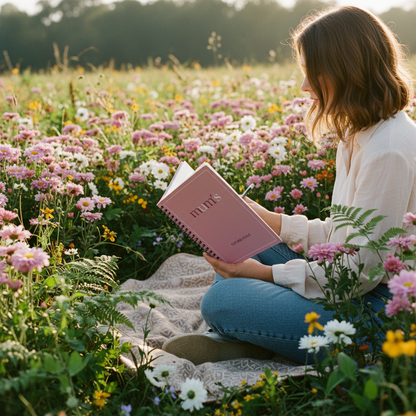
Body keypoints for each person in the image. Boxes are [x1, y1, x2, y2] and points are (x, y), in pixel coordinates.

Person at [162, 6, 416, 364]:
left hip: (377, 314)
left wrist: (263, 274)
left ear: (346, 70)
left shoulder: (388, 149)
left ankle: (248, 334)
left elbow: (360, 270)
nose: (305, 85)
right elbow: (342, 236)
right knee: (245, 247)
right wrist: (272, 220)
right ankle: (256, 334)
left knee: (222, 300)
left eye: (313, 72)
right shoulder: (360, 132)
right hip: (348, 290)